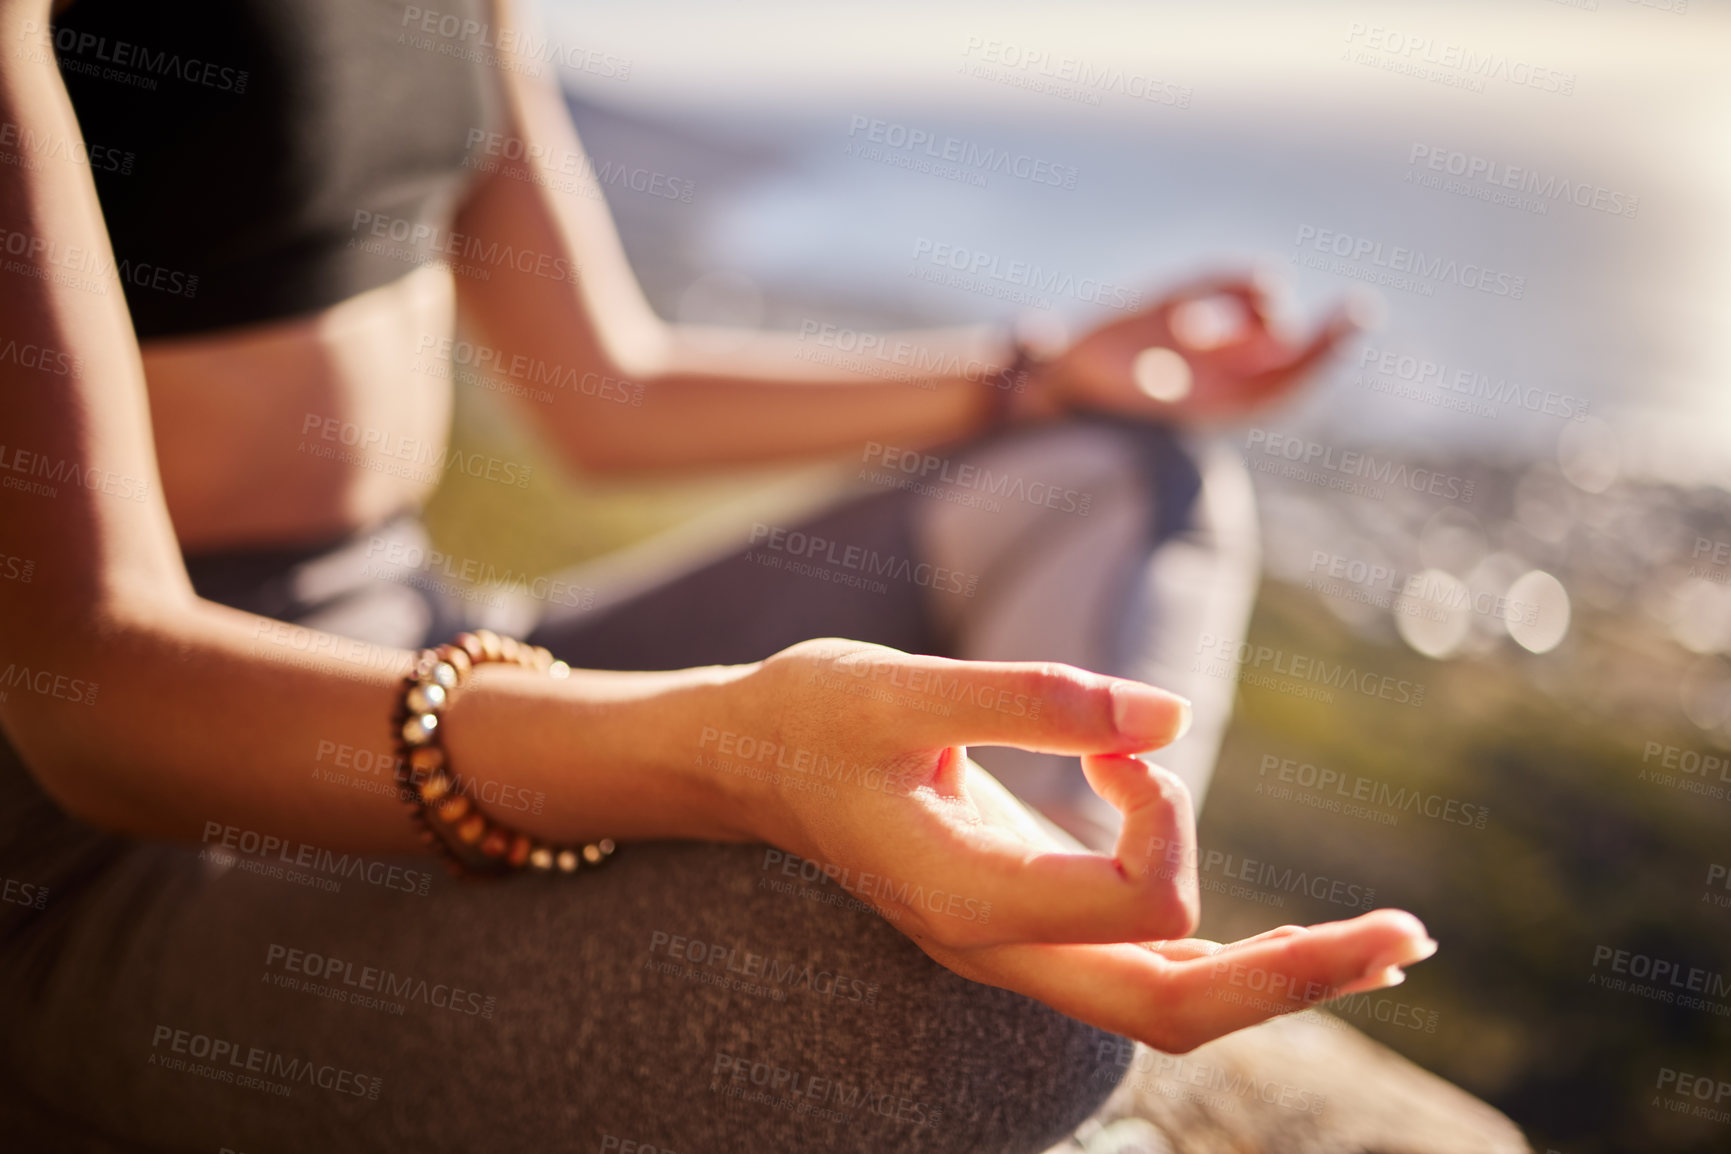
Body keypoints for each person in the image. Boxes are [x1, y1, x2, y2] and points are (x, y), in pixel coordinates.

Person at [0, 1, 1436, 1150]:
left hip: (423, 630)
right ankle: (1035, 1014)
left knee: (1116, 464)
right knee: (978, 1042)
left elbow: (604, 396)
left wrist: (1040, 371)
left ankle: (1044, 901)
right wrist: (720, 750)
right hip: (117, 830)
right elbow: (88, 685)